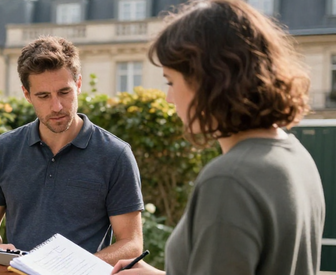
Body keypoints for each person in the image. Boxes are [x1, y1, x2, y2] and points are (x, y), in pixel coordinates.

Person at [112, 1, 325, 274]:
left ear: (209, 79)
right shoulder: (296, 156)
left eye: (170, 81)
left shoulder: (229, 179)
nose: (169, 97)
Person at [0, 36, 145, 275]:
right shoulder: (4, 149)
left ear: (79, 84)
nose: (57, 106)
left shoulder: (114, 154)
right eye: (43, 96)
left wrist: (76, 270)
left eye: (64, 92)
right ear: (26, 94)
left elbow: (131, 243)